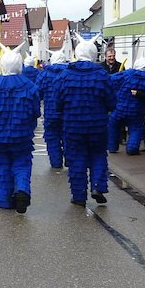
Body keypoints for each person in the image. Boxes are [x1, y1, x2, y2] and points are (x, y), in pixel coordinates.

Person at [56, 34, 116, 206]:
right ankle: (97, 186)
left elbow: (58, 103)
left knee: (76, 158)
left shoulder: (64, 76)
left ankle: (79, 195)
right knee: (98, 155)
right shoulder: (103, 75)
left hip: (73, 126)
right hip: (97, 125)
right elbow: (112, 102)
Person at [0, 46, 40, 213]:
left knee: (2, 166)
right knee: (21, 164)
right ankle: (21, 189)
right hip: (22, 134)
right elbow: (35, 111)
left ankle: (5, 201)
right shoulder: (29, 86)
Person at [108, 57, 145, 155]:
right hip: (137, 110)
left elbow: (110, 80)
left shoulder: (127, 74)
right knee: (136, 128)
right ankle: (132, 148)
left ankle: (112, 146)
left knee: (113, 125)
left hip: (119, 108)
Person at [36, 48, 68, 168]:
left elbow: (38, 94)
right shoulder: (69, 73)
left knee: (52, 137)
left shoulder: (44, 74)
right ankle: (69, 159)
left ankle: (56, 162)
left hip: (50, 112)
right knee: (68, 135)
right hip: (68, 112)